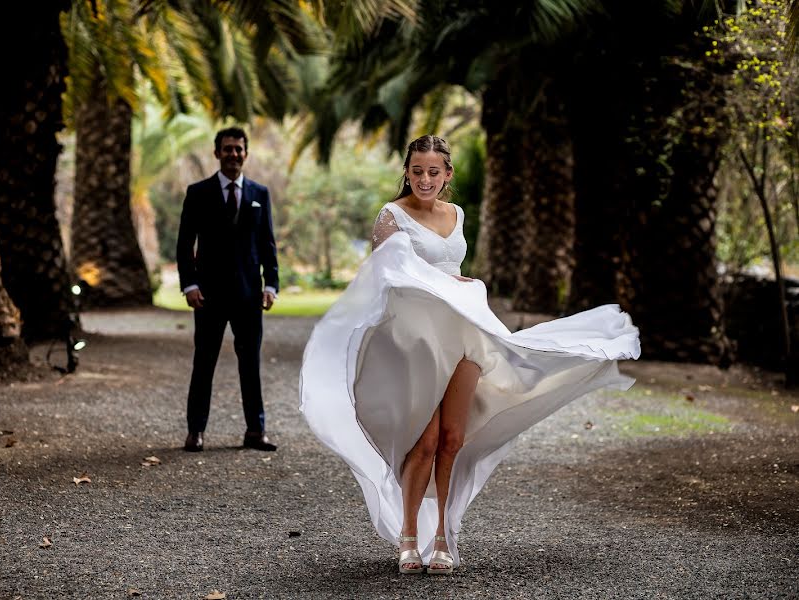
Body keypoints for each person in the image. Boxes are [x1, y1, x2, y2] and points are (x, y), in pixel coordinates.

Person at [299, 135, 640, 574]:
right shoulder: (392, 215)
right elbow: (382, 277)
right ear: (407, 171)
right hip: (414, 338)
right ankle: (408, 538)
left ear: (448, 175)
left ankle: (442, 534)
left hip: (463, 330)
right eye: (417, 171)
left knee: (453, 438)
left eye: (433, 172)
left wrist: (463, 285)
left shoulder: (457, 214)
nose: (425, 179)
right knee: (422, 441)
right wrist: (444, 283)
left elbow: (454, 267)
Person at [177, 127, 279, 452]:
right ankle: (196, 432)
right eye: (227, 149)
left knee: (250, 365)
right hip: (208, 296)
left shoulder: (259, 194)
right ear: (216, 152)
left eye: (238, 149)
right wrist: (189, 284)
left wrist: (271, 284)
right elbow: (184, 243)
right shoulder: (198, 193)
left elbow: (267, 243)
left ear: (245, 153)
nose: (233, 154)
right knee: (203, 363)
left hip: (249, 295)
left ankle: (255, 431)